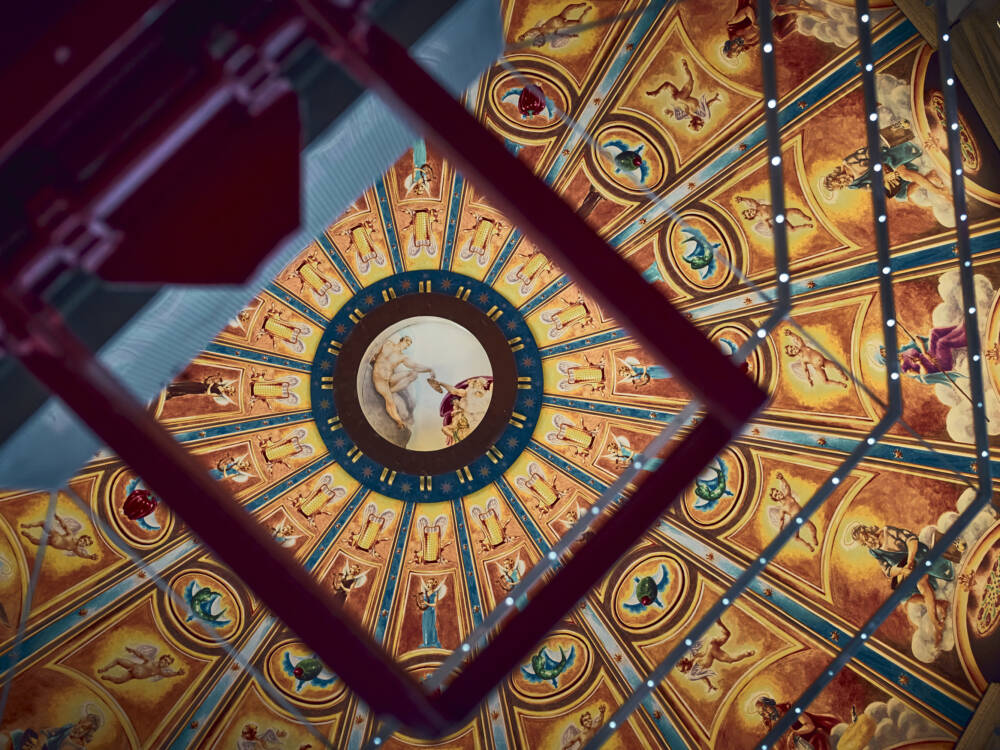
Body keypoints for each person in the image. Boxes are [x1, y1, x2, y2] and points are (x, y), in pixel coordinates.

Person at [851, 523, 959, 645]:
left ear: (868, 531)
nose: (868, 543)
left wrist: (910, 561)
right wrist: (902, 570)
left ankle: (936, 623)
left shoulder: (887, 531)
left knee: (922, 584)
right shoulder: (873, 551)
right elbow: (887, 570)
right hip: (904, 567)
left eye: (865, 538)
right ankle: (939, 605)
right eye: (864, 544)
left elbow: (911, 539)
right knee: (902, 596)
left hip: (917, 554)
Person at [723, 0, 827, 58]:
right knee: (780, 35)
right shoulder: (749, 43)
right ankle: (800, 13)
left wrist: (754, 22)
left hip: (761, 8)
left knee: (779, 11)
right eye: (736, 51)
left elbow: (747, 10)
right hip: (768, 20)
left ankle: (810, 12)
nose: (736, 48)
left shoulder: (735, 26)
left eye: (733, 49)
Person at [370, 336, 434, 430]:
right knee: (390, 400)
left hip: (389, 378)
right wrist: (373, 358)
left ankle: (391, 390)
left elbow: (415, 366)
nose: (407, 346)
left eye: (408, 345)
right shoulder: (387, 344)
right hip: (380, 379)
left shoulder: (402, 357)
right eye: (407, 343)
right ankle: (398, 420)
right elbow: (375, 353)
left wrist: (429, 369)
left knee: (414, 374)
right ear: (402, 340)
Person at [677, 619, 754, 691]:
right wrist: (709, 685)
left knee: (730, 659)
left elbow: (703, 677)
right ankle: (719, 623)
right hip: (711, 645)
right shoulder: (693, 658)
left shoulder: (693, 667)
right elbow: (703, 676)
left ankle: (746, 654)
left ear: (685, 666)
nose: (686, 670)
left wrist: (709, 685)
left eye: (685, 669)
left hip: (712, 652)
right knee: (727, 635)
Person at [646, 59, 721, 132]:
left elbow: (707, 105)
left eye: (699, 122)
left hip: (682, 98)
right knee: (667, 85)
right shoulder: (698, 115)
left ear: (694, 121)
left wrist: (670, 112)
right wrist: (714, 99)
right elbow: (708, 105)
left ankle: (685, 66)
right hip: (677, 99)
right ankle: (656, 93)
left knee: (690, 81)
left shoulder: (691, 115)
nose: (701, 121)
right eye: (701, 123)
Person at [755, 695, 840, 750]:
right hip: (797, 748)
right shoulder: (771, 727)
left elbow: (810, 726)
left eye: (766, 709)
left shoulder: (789, 709)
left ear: (770, 703)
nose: (766, 714)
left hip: (811, 738)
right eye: (763, 713)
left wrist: (795, 733)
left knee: (819, 737)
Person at [768, 472, 820, 552]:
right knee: (796, 537)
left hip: (801, 515)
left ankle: (814, 538)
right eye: (776, 495)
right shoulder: (782, 508)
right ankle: (808, 545)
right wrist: (780, 530)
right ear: (776, 499)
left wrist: (782, 479)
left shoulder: (788, 495)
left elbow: (787, 486)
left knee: (813, 528)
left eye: (778, 492)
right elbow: (781, 520)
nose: (779, 494)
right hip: (795, 520)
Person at [516, 3, 592, 49]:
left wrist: (524, 35)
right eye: (540, 41)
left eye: (537, 39)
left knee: (568, 10)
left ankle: (579, 6)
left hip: (557, 20)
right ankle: (585, 11)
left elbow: (531, 30)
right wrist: (571, 36)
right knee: (578, 22)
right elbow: (560, 35)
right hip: (561, 24)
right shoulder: (549, 35)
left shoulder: (541, 30)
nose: (539, 39)